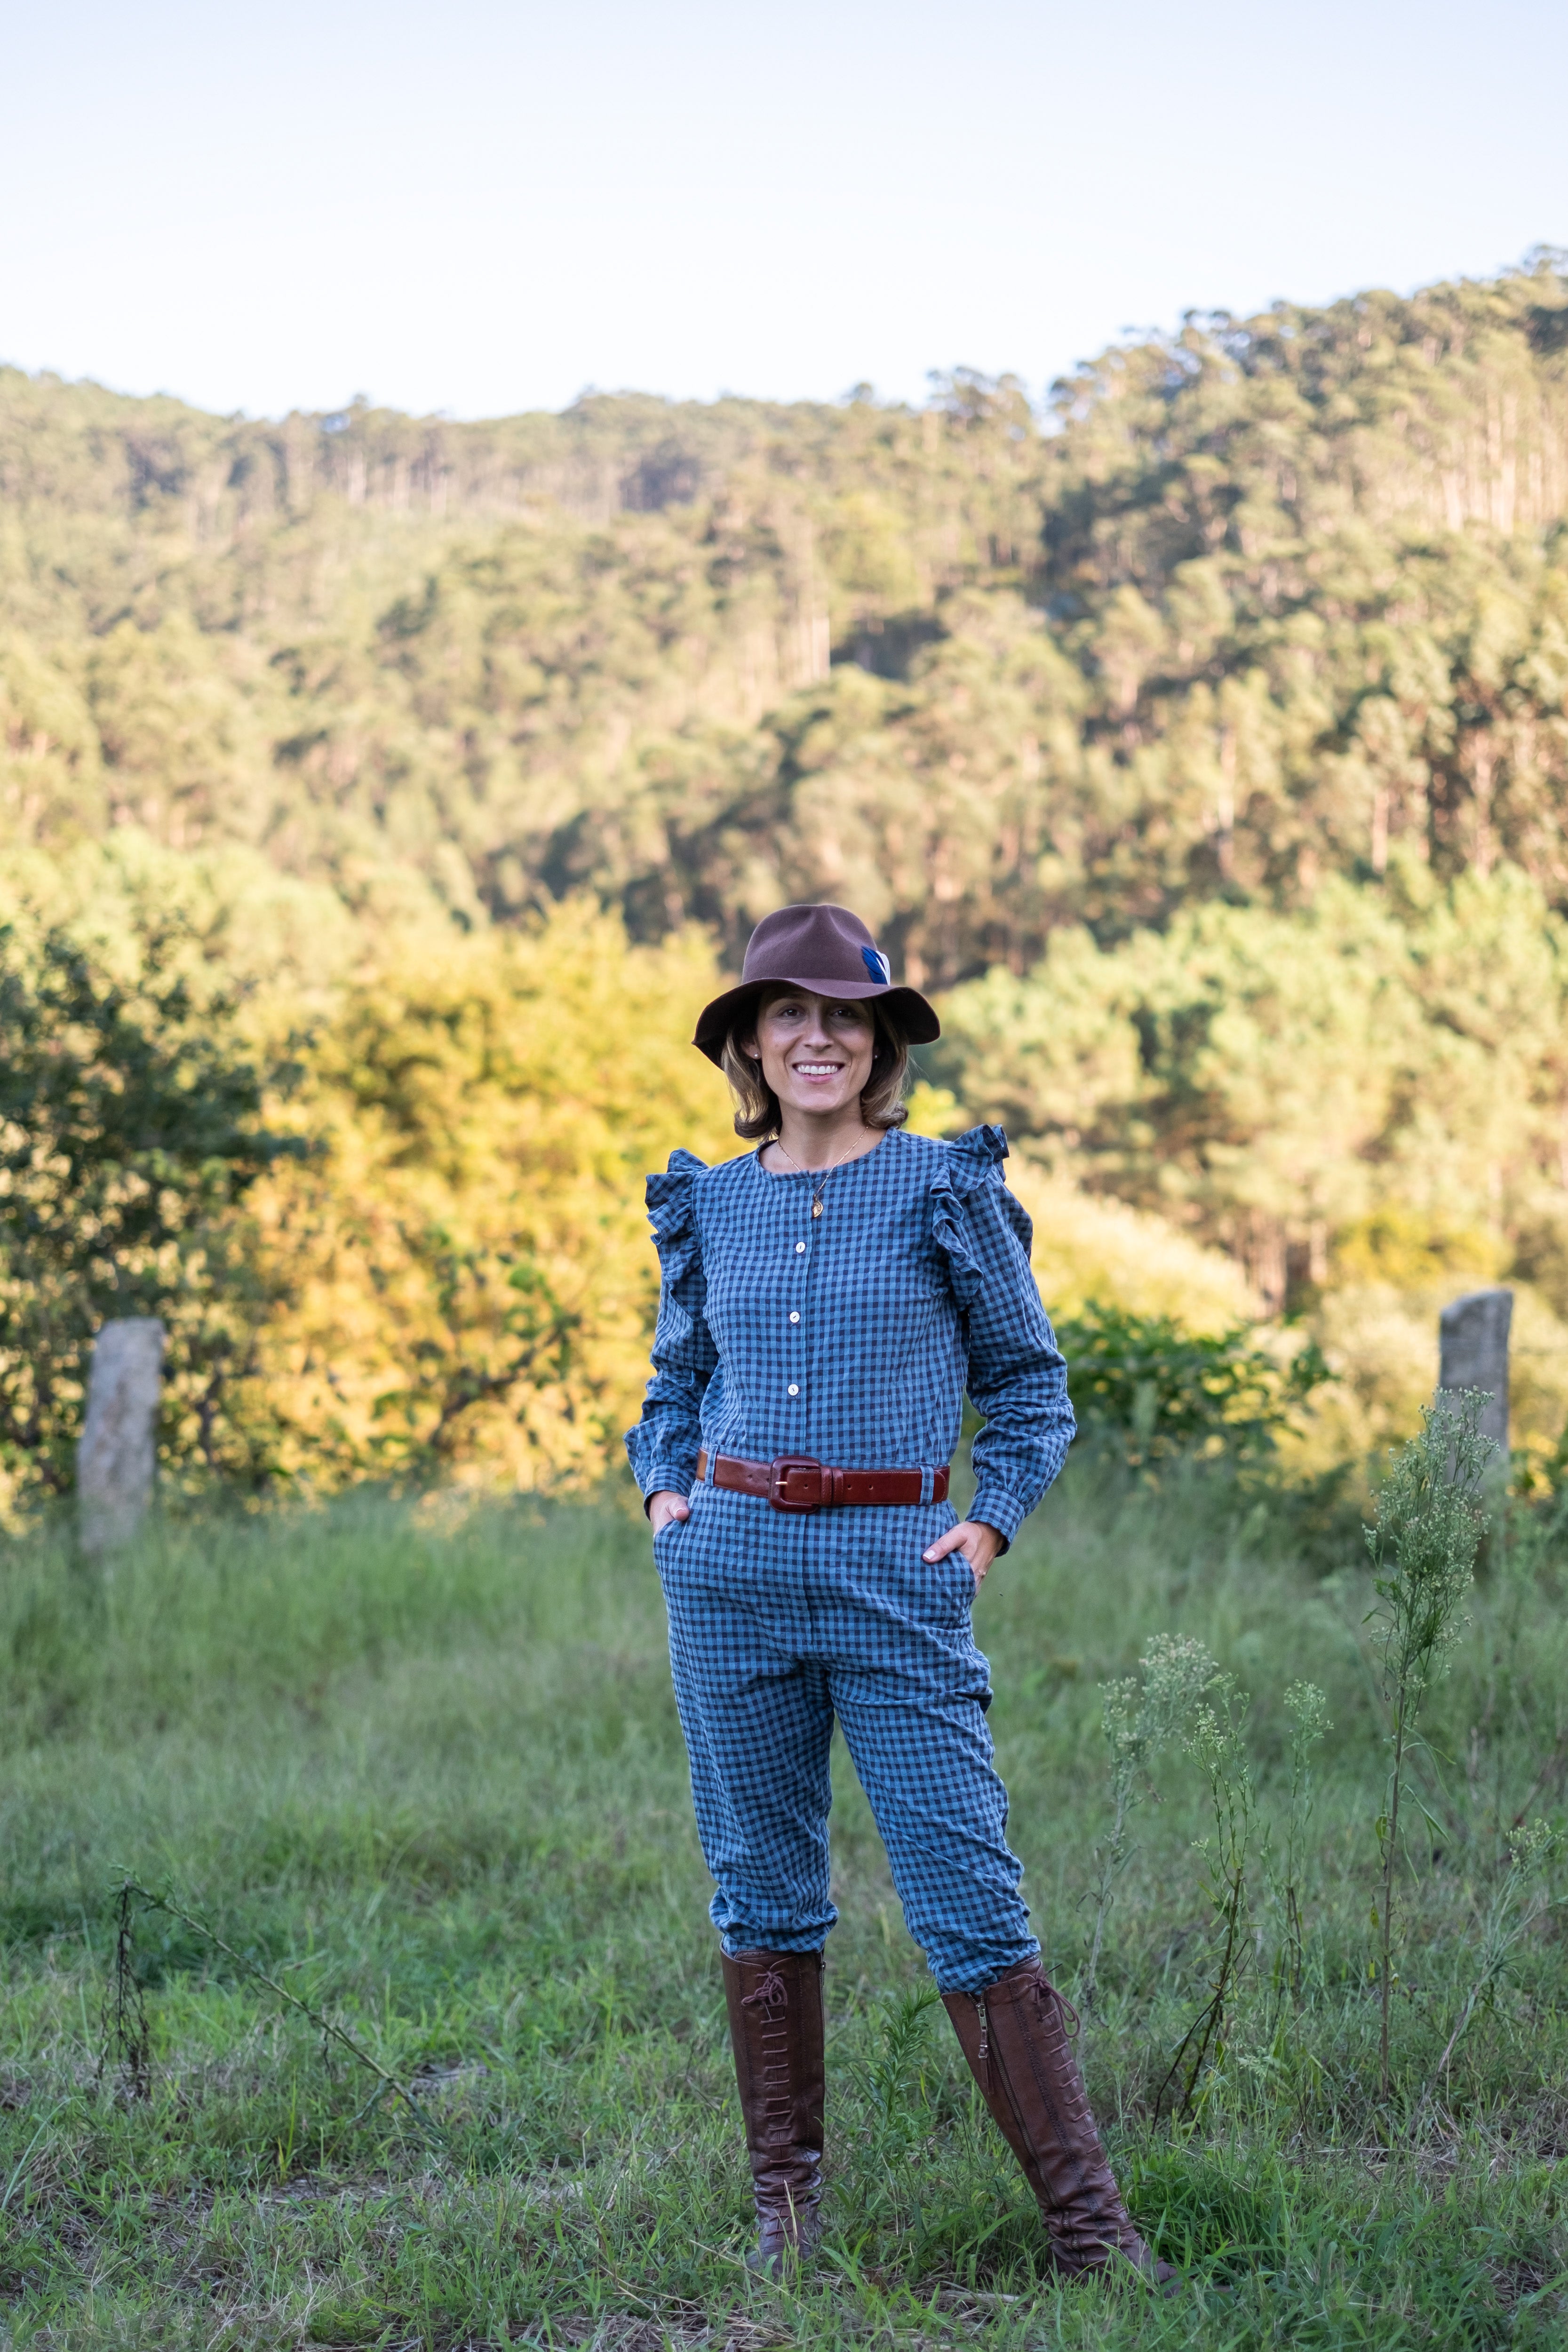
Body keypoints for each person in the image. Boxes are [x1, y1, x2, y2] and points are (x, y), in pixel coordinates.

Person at [625, 903, 1173, 2290]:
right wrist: (664, 1495)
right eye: (789, 1015)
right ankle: (788, 2219)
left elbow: (1033, 1385)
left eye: (846, 1018)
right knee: (759, 1896)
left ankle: (1093, 2238)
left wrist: (987, 1525)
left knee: (970, 1900)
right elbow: (675, 1381)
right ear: (749, 1042)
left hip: (896, 1582)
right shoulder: (714, 1198)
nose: (819, 1038)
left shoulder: (946, 1190)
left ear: (879, 1046)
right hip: (729, 1579)